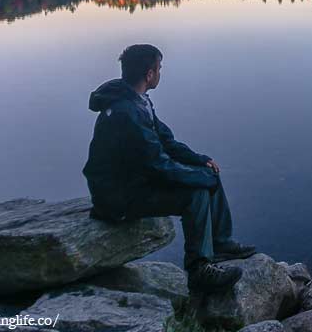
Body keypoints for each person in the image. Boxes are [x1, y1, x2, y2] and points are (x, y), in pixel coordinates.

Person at [83, 44, 255, 291]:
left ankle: (220, 242)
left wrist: (199, 160)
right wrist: (197, 177)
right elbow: (157, 165)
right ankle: (199, 270)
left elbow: (166, 141)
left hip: (134, 179)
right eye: (159, 68)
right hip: (117, 196)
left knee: (208, 174)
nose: (161, 73)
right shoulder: (126, 112)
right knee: (196, 193)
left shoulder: (136, 100)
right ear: (149, 75)